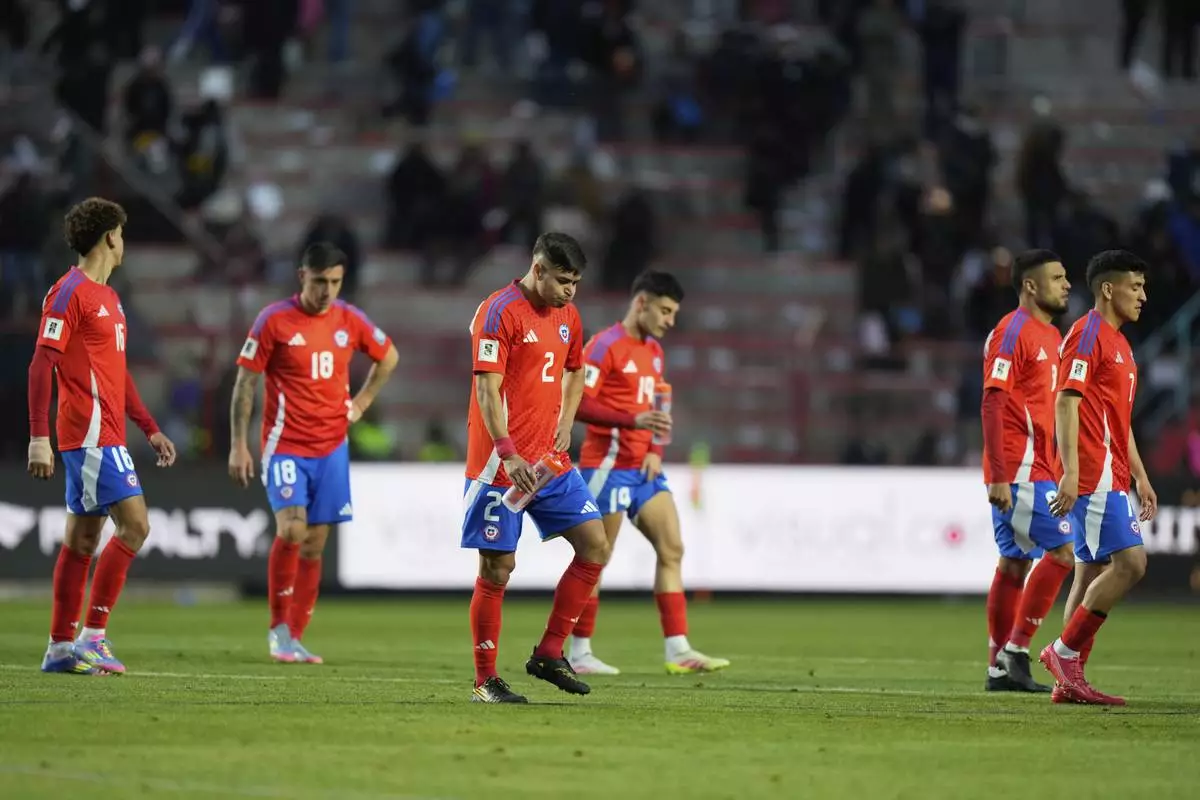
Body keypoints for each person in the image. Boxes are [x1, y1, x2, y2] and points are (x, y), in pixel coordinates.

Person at [228, 242, 398, 664]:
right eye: (320, 281)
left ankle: (295, 637)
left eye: (335, 282)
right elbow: (245, 384)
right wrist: (238, 444)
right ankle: (278, 629)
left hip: (332, 446)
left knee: (315, 544)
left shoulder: (349, 319)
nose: (327, 290)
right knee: (292, 530)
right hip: (285, 445)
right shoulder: (273, 320)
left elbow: (389, 356)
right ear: (302, 276)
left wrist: (361, 403)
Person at [28, 197, 177, 675]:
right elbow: (41, 364)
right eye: (122, 234)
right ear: (111, 236)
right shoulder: (69, 292)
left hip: (106, 431)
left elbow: (117, 373)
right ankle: (92, 637)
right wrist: (37, 437)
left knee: (82, 540)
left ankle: (58, 649)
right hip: (90, 432)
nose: (124, 243)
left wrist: (149, 428)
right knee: (136, 526)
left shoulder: (109, 299)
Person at [463, 232, 612, 703]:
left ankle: (549, 652)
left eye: (576, 283)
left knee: (595, 545)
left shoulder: (569, 316)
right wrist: (507, 451)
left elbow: (575, 371)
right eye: (563, 281)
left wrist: (565, 423)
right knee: (498, 568)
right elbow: (487, 389)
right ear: (538, 269)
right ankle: (485, 680)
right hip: (500, 464)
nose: (570, 291)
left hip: (549, 461)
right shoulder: (499, 312)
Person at [569, 270, 730, 675]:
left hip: (643, 469)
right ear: (641, 303)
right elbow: (578, 403)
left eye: (674, 313)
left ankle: (678, 650)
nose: (670, 321)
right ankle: (579, 652)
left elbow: (658, 404)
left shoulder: (655, 351)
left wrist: (656, 449)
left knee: (672, 548)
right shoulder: (603, 346)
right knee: (595, 557)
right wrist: (631, 421)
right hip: (607, 466)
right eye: (665, 310)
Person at [1041, 249, 1158, 705]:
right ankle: (1063, 653)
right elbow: (1065, 401)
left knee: (1089, 571)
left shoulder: (1120, 344)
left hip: (1111, 472)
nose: (1143, 296)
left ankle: (1067, 680)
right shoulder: (1087, 334)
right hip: (1092, 472)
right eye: (1135, 287)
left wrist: (1140, 476)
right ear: (1108, 289)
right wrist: (1071, 472)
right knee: (1131, 564)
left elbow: (1119, 421)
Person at [979, 249, 1075, 693]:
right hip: (1020, 469)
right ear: (1031, 285)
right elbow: (993, 401)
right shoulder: (1012, 331)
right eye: (1057, 278)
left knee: (1015, 563)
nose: (1067, 284)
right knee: (1063, 552)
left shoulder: (1052, 335)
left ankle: (999, 668)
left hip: (1038, 468)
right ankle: (1016, 651)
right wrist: (999, 473)